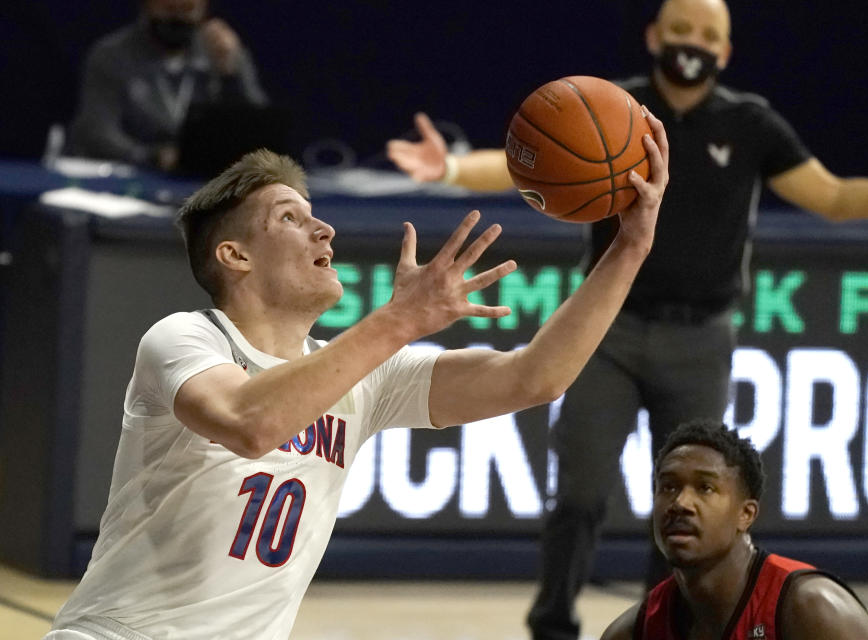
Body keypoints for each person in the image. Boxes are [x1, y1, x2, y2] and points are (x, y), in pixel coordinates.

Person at [385, 1, 868, 638]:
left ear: (727, 51)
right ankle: (552, 625)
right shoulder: (618, 110)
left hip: (701, 337)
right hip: (608, 332)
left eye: (709, 34)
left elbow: (833, 196)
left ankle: (674, 626)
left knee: (687, 506)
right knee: (578, 495)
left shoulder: (750, 123)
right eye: (682, 29)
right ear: (655, 36)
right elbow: (537, 161)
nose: (694, 43)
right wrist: (452, 170)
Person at [45, 125, 667, 639]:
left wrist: (631, 246)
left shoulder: (368, 377)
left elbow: (536, 377)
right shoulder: (185, 337)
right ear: (235, 256)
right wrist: (401, 319)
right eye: (291, 219)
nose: (326, 231)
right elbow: (250, 424)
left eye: (317, 218)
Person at [600, 419, 868, 640]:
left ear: (745, 514)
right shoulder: (635, 630)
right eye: (669, 487)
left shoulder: (810, 606)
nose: (681, 502)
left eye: (705, 488)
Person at [67, 0, 268, 171]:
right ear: (147, 6)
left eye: (187, 9)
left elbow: (261, 134)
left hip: (206, 184)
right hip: (137, 176)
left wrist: (230, 77)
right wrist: (153, 157)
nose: (178, 18)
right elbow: (98, 132)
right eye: (169, 8)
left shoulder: (222, 52)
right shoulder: (111, 56)